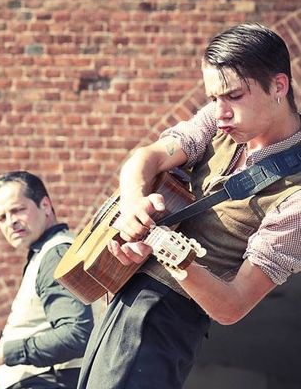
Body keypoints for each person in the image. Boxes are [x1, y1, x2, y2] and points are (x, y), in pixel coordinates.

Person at [77, 22, 301, 389]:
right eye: (214, 98)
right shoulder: (217, 120)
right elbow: (145, 158)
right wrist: (134, 205)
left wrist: (169, 252)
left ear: (278, 86)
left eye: (234, 96)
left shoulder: (296, 198)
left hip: (168, 318)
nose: (221, 112)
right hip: (124, 301)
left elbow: (232, 305)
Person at [0, 171, 94, 389]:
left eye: (18, 210)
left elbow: (77, 334)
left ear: (45, 205)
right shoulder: (45, 253)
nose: (11, 222)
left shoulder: (55, 254)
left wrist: (5, 352)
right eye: (2, 218)